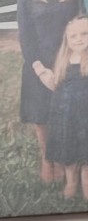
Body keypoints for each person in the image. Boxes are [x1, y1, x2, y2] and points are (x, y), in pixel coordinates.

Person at [16, 0, 82, 182]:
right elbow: (26, 37)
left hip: (69, 61)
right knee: (41, 116)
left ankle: (72, 164)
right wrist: (41, 70)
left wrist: (71, 63)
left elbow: (80, 28)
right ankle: (47, 159)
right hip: (38, 65)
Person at [43, 14, 88, 198]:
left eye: (85, 34)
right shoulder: (63, 61)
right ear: (67, 40)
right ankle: (71, 183)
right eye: (74, 36)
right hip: (66, 117)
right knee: (69, 154)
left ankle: (86, 186)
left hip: (86, 119)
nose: (79, 39)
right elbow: (55, 85)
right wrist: (42, 73)